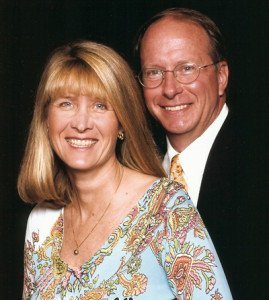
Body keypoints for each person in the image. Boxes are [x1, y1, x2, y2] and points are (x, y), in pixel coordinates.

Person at [18, 40, 232, 299]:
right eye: (66, 104)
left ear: (121, 122)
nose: (82, 123)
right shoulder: (41, 221)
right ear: (46, 119)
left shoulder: (166, 208)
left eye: (100, 106)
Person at [135, 7, 268, 299]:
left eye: (187, 68)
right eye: (154, 72)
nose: (170, 89)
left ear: (221, 76)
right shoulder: (133, 170)